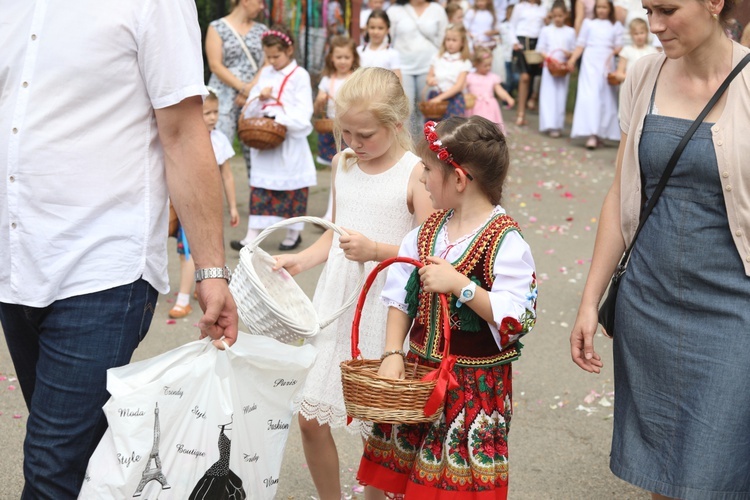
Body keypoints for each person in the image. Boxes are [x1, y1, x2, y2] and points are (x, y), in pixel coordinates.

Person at [0, 1, 239, 498]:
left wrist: (210, 267)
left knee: (50, 470)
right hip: (15, 261)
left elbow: (182, 132)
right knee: (83, 460)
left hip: (102, 269)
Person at [569, 0, 750, 496]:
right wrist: (590, 300)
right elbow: (621, 193)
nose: (655, 25)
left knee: (716, 471)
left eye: (668, 9)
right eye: (649, 10)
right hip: (649, 302)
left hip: (734, 306)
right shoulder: (644, 75)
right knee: (665, 475)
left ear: (715, 3)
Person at [274, 67, 433, 500]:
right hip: (336, 301)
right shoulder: (344, 164)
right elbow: (335, 230)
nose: (354, 144)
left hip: (384, 308)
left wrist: (377, 250)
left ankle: (376, 494)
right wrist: (299, 260)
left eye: (365, 135)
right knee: (310, 417)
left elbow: (426, 253)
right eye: (345, 132)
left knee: (377, 423)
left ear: (396, 124)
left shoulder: (416, 174)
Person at [357, 115, 537, 497]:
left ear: (458, 179)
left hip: (473, 391)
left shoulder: (505, 242)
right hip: (420, 378)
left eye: (428, 168)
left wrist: (462, 286)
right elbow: (399, 298)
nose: (422, 177)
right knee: (408, 479)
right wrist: (392, 352)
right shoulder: (425, 233)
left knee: (452, 488)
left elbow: (518, 318)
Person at [241, 25, 316, 251]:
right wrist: (260, 98)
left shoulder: (300, 76)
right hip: (265, 142)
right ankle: (251, 236)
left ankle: (294, 234)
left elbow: (304, 115)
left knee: (292, 192)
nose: (272, 61)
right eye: (268, 56)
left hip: (289, 143)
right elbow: (250, 107)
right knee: (261, 190)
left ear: (289, 50)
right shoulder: (266, 74)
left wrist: (279, 117)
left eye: (276, 56)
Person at [169, 90, 241, 319]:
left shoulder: (219, 140)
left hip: (206, 208)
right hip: (183, 205)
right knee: (186, 252)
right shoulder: (187, 141)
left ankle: (187, 297)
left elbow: (227, 176)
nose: (212, 117)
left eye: (215, 112)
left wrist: (232, 206)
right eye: (206, 113)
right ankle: (190, 291)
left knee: (196, 251)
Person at [204, 0, 267, 252]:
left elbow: (266, 64)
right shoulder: (216, 27)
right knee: (214, 156)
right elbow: (215, 65)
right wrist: (240, 87)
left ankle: (258, 221)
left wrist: (250, 90)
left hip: (252, 99)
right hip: (222, 101)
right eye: (259, 1)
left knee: (258, 158)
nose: (262, 6)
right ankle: (207, 211)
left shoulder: (262, 31)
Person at [566, 0, 623, 149]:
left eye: (604, 7)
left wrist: (612, 54)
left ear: (610, 9)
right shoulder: (588, 24)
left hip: (606, 62)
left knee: (605, 98)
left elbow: (619, 46)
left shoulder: (615, 25)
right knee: (590, 96)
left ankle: (601, 132)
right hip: (590, 62)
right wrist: (572, 59)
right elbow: (581, 44)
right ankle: (591, 133)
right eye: (599, 7)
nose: (601, 10)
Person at [387, 0, 450, 134]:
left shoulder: (437, 9)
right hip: (403, 68)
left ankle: (428, 149)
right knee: (405, 111)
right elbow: (388, 39)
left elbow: (444, 39)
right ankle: (408, 149)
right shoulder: (394, 10)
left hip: (429, 67)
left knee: (428, 111)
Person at [315, 36, 360, 168]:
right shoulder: (327, 80)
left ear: (353, 58)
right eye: (339, 57)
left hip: (351, 128)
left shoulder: (356, 79)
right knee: (335, 164)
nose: (342, 61)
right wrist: (320, 101)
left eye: (347, 57)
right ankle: (333, 188)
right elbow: (317, 110)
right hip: (331, 128)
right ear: (331, 58)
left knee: (350, 163)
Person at [537, 0, 576, 137]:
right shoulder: (546, 30)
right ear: (551, 16)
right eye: (555, 16)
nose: (558, 19)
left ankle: (557, 125)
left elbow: (573, 50)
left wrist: (569, 54)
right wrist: (549, 58)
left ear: (565, 15)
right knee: (548, 95)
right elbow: (540, 49)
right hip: (550, 67)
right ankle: (548, 123)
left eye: (560, 16)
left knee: (560, 95)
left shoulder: (570, 32)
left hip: (562, 67)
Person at [510, 0, 549, 125]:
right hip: (522, 42)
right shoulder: (520, 7)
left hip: (537, 44)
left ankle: (529, 103)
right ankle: (520, 112)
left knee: (535, 77)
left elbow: (545, 28)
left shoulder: (542, 8)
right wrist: (514, 42)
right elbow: (512, 25)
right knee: (524, 77)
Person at [426, 23, 473, 119]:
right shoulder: (437, 57)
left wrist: (440, 98)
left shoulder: (464, 62)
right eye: (448, 40)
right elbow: (429, 76)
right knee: (433, 128)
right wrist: (430, 80)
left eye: (454, 40)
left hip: (454, 99)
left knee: (451, 129)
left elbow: (458, 86)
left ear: (462, 42)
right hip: (436, 96)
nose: (450, 43)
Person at [465, 47, 516, 133]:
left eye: (490, 65)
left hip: (489, 107)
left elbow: (499, 90)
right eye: (485, 65)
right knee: (474, 129)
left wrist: (508, 98)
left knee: (489, 129)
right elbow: (461, 88)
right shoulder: (469, 77)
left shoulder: (492, 77)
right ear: (476, 64)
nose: (488, 68)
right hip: (474, 106)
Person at [358, 9, 403, 81]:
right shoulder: (359, 51)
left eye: (380, 28)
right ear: (367, 28)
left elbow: (398, 82)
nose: (376, 32)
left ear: (387, 30)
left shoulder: (392, 54)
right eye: (372, 27)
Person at [610, 18, 658, 84]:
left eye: (642, 33)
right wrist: (635, 79)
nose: (639, 36)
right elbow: (619, 75)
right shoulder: (626, 51)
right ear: (631, 34)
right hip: (630, 86)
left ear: (647, 32)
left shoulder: (653, 51)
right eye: (636, 34)